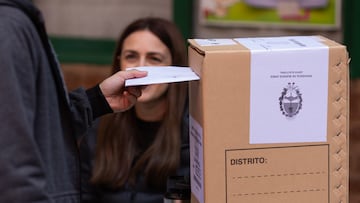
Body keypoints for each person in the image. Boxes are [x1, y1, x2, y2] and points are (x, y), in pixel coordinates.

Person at [0, 0, 147, 202]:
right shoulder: (9, 26)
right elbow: (12, 163)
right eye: (131, 56)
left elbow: (42, 127)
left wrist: (95, 101)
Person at [80, 17, 190, 203]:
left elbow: (179, 197)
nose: (141, 70)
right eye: (131, 56)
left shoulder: (190, 131)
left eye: (154, 59)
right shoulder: (99, 126)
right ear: (119, 63)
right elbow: (83, 194)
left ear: (175, 66)